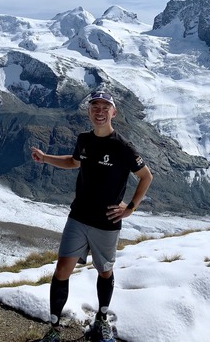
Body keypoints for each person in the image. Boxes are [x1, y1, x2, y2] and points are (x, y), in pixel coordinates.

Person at [30, 90, 154, 342]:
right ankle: (53, 329)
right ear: (89, 111)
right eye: (94, 106)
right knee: (62, 268)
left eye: (104, 107)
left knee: (104, 271)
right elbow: (75, 162)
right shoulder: (84, 139)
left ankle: (102, 319)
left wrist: (130, 208)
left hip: (107, 221)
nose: (99, 111)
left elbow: (146, 176)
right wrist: (46, 158)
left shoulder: (123, 148)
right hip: (79, 215)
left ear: (113, 112)